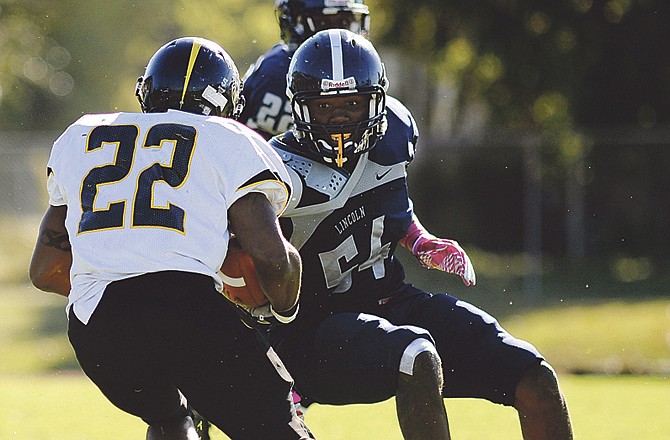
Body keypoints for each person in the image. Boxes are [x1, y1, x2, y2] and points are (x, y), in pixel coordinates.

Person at [261, 29, 574, 440]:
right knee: (416, 354)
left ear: (376, 102)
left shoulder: (394, 134)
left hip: (392, 301)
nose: (339, 120)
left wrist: (422, 242)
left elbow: (390, 206)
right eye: (325, 107)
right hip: (314, 329)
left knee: (533, 375)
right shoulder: (276, 172)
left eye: (352, 105)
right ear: (300, 109)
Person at [29, 36, 315, 440]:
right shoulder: (228, 138)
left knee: (170, 419)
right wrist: (281, 312)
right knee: (279, 428)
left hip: (95, 327)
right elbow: (273, 258)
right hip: (188, 309)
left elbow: (45, 271)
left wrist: (121, 285)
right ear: (226, 103)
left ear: (146, 90)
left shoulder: (84, 135)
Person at [239, 0, 370, 139]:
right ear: (294, 23)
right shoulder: (275, 75)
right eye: (323, 23)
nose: (335, 36)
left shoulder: (365, 65)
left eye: (344, 22)